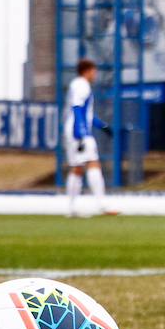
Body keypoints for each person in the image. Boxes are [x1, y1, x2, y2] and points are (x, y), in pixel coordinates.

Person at [63, 58, 117, 217]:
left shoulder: (76, 84)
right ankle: (102, 204)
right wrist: (81, 133)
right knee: (93, 162)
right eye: (94, 71)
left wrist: (102, 125)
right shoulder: (82, 85)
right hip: (78, 131)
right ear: (87, 71)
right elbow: (77, 109)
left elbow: (85, 114)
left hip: (72, 129)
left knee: (77, 167)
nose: (95, 74)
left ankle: (71, 208)